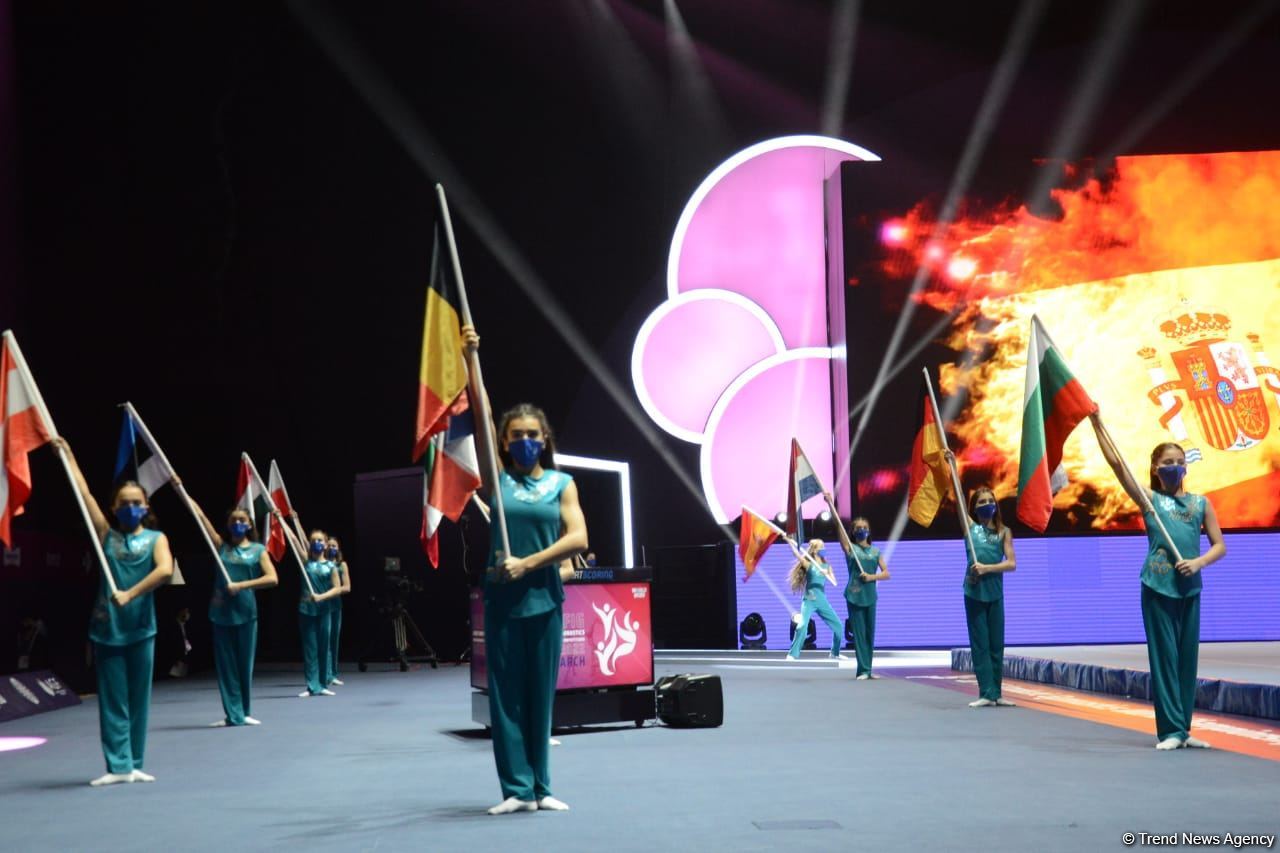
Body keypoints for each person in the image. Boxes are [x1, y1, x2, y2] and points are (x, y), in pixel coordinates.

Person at [464, 323, 588, 816]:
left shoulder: (563, 483)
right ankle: (515, 789)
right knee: (506, 698)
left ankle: (541, 786)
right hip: (502, 600)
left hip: (544, 598)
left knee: (540, 696)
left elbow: (578, 539)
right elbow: (481, 413)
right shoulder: (496, 481)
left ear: (545, 439)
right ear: (505, 442)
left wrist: (531, 563)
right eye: (516, 436)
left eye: (532, 436)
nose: (525, 442)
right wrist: (473, 359)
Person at [1090, 415, 1226, 749]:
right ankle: (1170, 731)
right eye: (1168, 463)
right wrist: (1097, 425)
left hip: (1189, 589)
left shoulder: (1200, 503)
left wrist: (1198, 563)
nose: (1175, 467)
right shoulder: (1150, 501)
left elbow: (1219, 545)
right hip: (1157, 587)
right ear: (1155, 467)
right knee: (1164, 659)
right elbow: (1118, 465)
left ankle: (1185, 728)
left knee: (1186, 660)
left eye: (1180, 463)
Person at [54, 437, 174, 786]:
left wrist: (131, 593)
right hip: (108, 628)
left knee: (139, 700)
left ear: (146, 506)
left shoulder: (157, 539)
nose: (131, 508)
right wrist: (69, 455)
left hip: (141, 627)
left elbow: (165, 571)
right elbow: (85, 495)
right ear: (114, 507)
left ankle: (135, 762)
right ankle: (117, 765)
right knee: (112, 701)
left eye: (137, 503)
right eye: (124, 503)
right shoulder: (106, 535)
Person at [183, 488, 279, 726]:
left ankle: (244, 711)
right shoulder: (220, 547)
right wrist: (182, 490)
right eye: (233, 520)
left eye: (242, 521)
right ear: (228, 524)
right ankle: (232, 714)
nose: (237, 523)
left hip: (246, 613)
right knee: (226, 668)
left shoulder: (258, 550)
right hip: (221, 613)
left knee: (244, 665)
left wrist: (242, 585)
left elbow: (272, 578)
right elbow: (201, 517)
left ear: (249, 525)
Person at [945, 457, 1017, 708]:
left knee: (997, 644)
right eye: (982, 502)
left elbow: (1011, 563)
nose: (987, 505)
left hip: (995, 593)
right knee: (980, 644)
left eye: (990, 501)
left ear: (996, 506)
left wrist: (988, 568)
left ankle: (997, 693)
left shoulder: (1004, 531)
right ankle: (985, 692)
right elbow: (956, 496)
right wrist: (953, 468)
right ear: (974, 508)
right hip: (974, 592)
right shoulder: (969, 528)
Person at [824, 492, 889, 679]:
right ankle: (863, 670)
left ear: (869, 530)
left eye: (864, 527)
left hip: (871, 596)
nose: (861, 530)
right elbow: (838, 525)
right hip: (854, 595)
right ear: (853, 531)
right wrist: (831, 505)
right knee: (859, 634)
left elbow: (886, 573)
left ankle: (869, 669)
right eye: (858, 528)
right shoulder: (850, 549)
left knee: (870, 633)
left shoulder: (875, 551)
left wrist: (871, 577)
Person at [299, 529, 343, 697]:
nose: (316, 543)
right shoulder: (306, 561)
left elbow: (337, 588)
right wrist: (284, 519)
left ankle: (323, 684)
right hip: (305, 610)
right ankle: (311, 685)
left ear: (325, 544)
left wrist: (321, 597)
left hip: (324, 610)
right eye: (313, 540)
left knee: (324, 647)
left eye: (320, 540)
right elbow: (296, 540)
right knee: (310, 649)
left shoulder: (331, 566)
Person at [785, 539, 845, 661]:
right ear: (815, 550)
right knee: (802, 626)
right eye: (821, 547)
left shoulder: (827, 566)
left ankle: (834, 653)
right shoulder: (809, 565)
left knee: (838, 626)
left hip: (822, 601)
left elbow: (835, 583)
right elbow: (796, 554)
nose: (824, 549)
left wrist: (826, 574)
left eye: (824, 546)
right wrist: (789, 541)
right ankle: (792, 654)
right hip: (809, 600)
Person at [325, 537, 350, 688]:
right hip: (321, 606)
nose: (332, 548)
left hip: (335, 605)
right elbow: (303, 543)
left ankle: (332, 674)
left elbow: (347, 587)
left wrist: (332, 590)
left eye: (335, 545)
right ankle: (324, 674)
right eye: (330, 545)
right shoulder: (320, 563)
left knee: (333, 640)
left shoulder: (341, 565)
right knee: (324, 640)